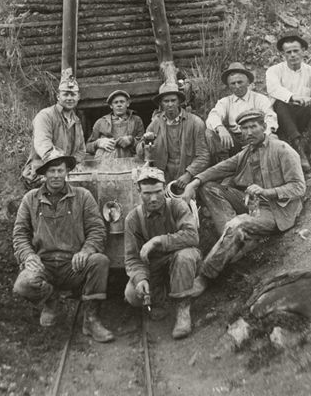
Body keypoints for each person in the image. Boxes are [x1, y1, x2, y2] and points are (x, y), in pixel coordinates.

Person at [182, 109, 305, 297]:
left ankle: (205, 277)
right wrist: (194, 181)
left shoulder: (282, 149)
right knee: (209, 188)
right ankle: (231, 240)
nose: (248, 133)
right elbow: (220, 168)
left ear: (264, 127)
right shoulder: (247, 152)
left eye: (253, 127)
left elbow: (298, 187)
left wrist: (268, 192)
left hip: (275, 210)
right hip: (252, 203)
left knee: (239, 223)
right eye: (244, 129)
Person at [13, 151, 114, 342]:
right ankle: (51, 301)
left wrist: (86, 250)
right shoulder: (30, 200)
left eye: (60, 170)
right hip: (44, 265)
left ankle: (91, 320)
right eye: (52, 171)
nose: (57, 175)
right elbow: (20, 235)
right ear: (44, 173)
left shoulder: (83, 196)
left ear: (67, 172)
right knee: (22, 284)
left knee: (99, 261)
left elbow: (97, 230)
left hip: (73, 266)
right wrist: (28, 256)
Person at [124, 166, 201, 339]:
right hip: (155, 267)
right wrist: (140, 278)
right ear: (139, 192)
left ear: (165, 188)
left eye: (158, 192)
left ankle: (182, 310)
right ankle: (160, 298)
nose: (153, 198)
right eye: (147, 193)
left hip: (179, 260)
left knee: (185, 255)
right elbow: (132, 258)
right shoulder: (133, 219)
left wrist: (157, 240)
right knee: (132, 295)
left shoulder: (177, 206)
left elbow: (192, 236)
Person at [266, 34, 311, 171]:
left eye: (296, 51)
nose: (293, 55)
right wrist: (294, 98)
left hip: (303, 115)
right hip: (284, 118)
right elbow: (273, 88)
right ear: (283, 54)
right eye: (288, 52)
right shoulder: (274, 71)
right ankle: (297, 145)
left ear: (303, 51)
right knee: (279, 102)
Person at [137, 83, 210, 189]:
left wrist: (189, 174)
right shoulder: (155, 124)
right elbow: (141, 154)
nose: (170, 104)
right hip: (163, 178)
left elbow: (204, 156)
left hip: (189, 178)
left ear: (179, 101)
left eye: (173, 100)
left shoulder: (195, 123)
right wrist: (145, 144)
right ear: (161, 103)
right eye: (166, 101)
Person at [206, 62, 278, 162]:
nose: (237, 86)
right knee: (210, 133)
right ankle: (224, 164)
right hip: (235, 141)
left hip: (256, 137)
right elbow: (213, 115)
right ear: (228, 85)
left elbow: (270, 117)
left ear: (248, 82)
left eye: (240, 82)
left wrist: (265, 135)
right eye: (233, 83)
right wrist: (220, 127)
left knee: (273, 138)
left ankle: (266, 166)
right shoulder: (225, 102)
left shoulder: (259, 99)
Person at [22, 76, 86, 186]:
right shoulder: (45, 116)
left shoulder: (76, 121)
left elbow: (81, 150)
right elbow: (43, 146)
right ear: (58, 96)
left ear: (78, 97)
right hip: (41, 174)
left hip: (63, 175)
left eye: (73, 94)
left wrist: (73, 165)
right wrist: (63, 167)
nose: (70, 98)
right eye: (65, 94)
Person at [86, 90, 144, 160]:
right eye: (115, 102)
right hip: (105, 162)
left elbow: (143, 145)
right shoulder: (100, 122)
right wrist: (98, 143)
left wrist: (131, 140)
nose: (119, 105)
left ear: (128, 103)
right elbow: (87, 147)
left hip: (129, 162)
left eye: (122, 102)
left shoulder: (136, 120)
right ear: (111, 106)